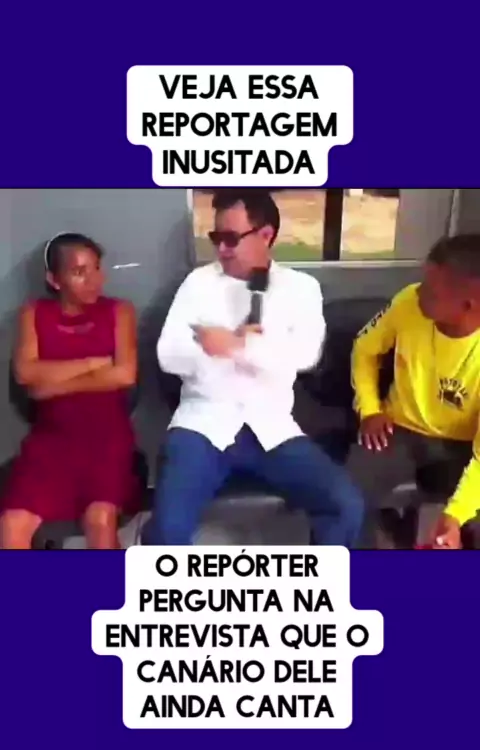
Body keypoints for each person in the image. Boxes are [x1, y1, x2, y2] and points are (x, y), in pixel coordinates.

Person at [150, 189, 365, 547]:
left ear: (266, 235)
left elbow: (305, 355)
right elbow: (168, 355)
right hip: (202, 424)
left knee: (345, 505)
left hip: (273, 428)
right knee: (168, 529)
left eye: (231, 238)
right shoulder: (198, 284)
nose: (221, 249)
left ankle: (324, 579)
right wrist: (224, 351)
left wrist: (236, 346)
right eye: (216, 237)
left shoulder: (301, 288)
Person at [0, 232, 140, 549]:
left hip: (107, 439)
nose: (94, 280)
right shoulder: (33, 313)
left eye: (96, 268)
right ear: (54, 279)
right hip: (50, 443)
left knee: (100, 520)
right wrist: (94, 362)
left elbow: (124, 374)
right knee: (11, 525)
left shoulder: (119, 311)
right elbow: (25, 373)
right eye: (79, 272)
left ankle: (103, 585)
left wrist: (48, 388)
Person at [348, 234, 480, 549]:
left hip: (464, 448)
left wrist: (455, 516)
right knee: (345, 500)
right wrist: (370, 409)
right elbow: (364, 350)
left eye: (431, 291)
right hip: (398, 430)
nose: (419, 291)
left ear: (468, 305)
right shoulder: (408, 302)